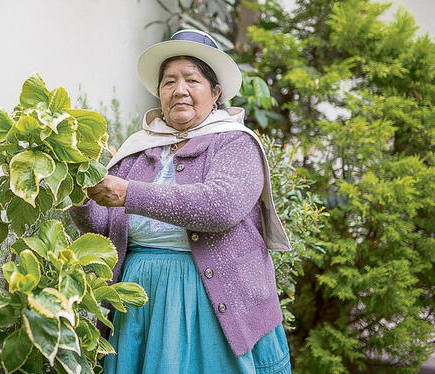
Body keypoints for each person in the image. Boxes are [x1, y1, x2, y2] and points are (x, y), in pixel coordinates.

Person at [69, 29, 292, 374]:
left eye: (192, 79)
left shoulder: (235, 143)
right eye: (169, 81)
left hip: (205, 297)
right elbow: (104, 227)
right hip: (140, 295)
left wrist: (129, 193)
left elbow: (220, 206)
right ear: (159, 93)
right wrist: (78, 191)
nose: (180, 90)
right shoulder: (139, 147)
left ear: (215, 92)